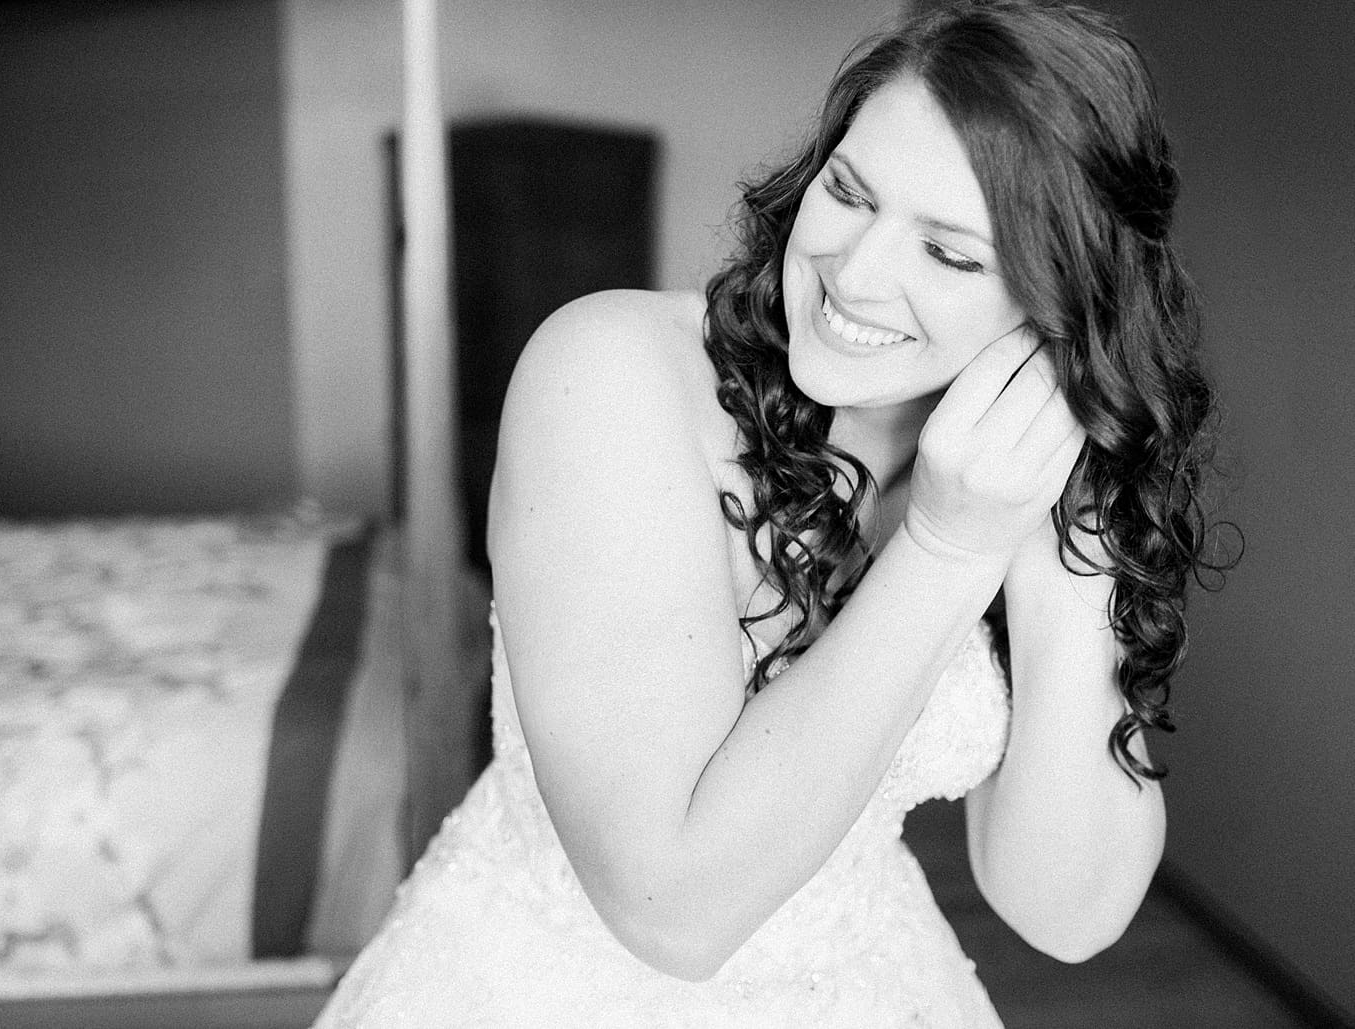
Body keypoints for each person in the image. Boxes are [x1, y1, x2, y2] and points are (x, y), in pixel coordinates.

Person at [317, 0, 1227, 1024]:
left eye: (949, 253)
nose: (854, 272)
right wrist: (946, 546)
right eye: (848, 191)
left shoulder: (1017, 464)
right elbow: (672, 911)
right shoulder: (609, 375)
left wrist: (1062, 556)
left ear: (1061, 305)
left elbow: (1064, 913)